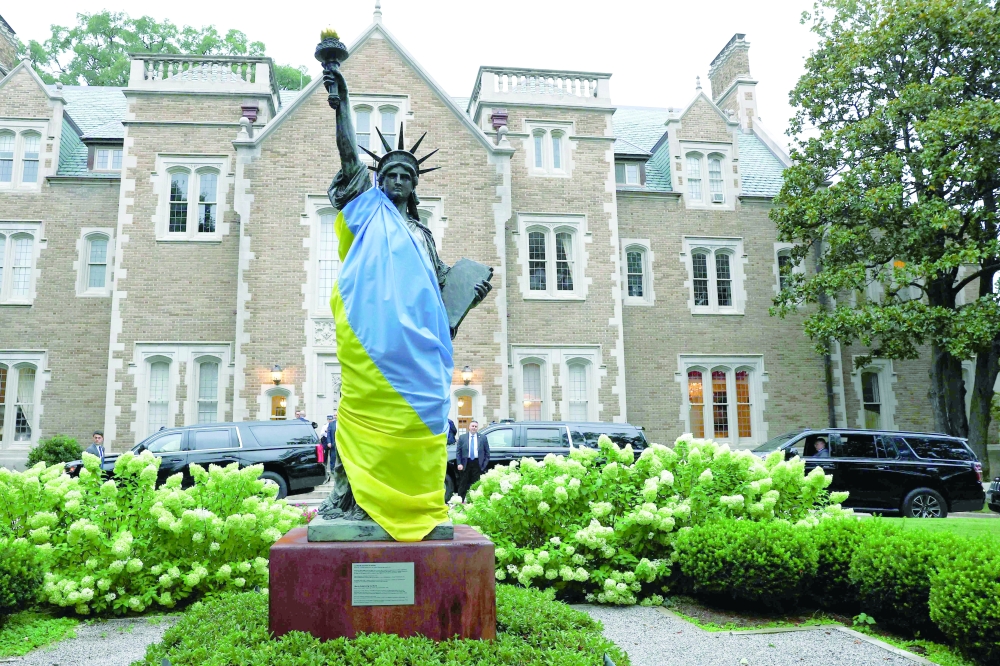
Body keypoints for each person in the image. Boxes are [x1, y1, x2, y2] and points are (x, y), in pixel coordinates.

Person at [455, 420, 490, 499]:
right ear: (469, 427)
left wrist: (483, 466)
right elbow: (458, 452)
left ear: (477, 428)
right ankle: (461, 501)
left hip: (478, 464)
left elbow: (487, 453)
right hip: (465, 463)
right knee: (463, 484)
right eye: (472, 426)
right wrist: (459, 463)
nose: (474, 428)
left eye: (475, 426)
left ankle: (474, 501)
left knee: (476, 484)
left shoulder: (483, 438)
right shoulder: (462, 437)